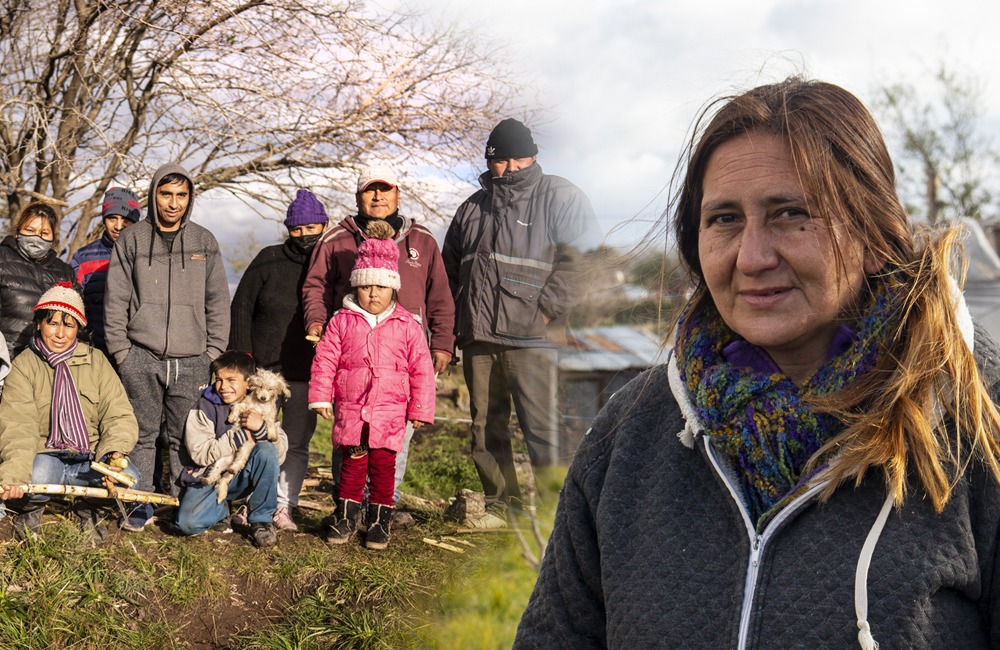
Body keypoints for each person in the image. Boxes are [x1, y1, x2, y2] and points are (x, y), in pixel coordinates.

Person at [515, 78, 1000, 649]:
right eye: (723, 219)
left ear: (876, 235)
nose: (751, 257)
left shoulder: (978, 418)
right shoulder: (631, 434)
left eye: (790, 213)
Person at [442, 118, 597, 525]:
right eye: (500, 160)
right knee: (484, 429)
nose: (509, 167)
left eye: (517, 158)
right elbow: (448, 271)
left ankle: (557, 513)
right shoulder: (472, 208)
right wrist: (456, 325)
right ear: (488, 161)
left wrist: (546, 310)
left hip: (533, 337)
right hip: (479, 336)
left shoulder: (561, 197)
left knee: (544, 430)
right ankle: (500, 505)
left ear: (533, 156)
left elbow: (583, 260)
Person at [302, 163, 453, 507]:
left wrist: (443, 342)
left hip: (402, 360)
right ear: (359, 196)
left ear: (397, 194)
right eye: (370, 190)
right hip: (353, 358)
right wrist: (317, 323)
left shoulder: (422, 241)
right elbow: (315, 287)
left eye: (385, 189)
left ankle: (385, 503)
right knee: (350, 432)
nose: (378, 196)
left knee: (395, 437)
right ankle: (348, 503)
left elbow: (440, 294)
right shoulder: (337, 240)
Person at [104, 163, 231, 530]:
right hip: (140, 356)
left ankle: (181, 506)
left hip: (193, 359)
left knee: (185, 438)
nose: (173, 203)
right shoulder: (132, 240)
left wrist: (212, 352)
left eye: (181, 195)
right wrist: (122, 353)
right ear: (153, 195)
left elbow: (217, 301)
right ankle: (138, 503)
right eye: (166, 194)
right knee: (141, 435)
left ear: (189, 198)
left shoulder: (204, 241)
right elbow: (115, 301)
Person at [308, 220, 435, 550]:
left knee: (383, 469)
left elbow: (422, 368)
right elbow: (325, 361)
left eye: (380, 287)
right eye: (366, 287)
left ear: (393, 287)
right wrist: (321, 397)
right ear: (356, 287)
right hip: (352, 414)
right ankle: (346, 517)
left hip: (390, 416)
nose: (373, 293)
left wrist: (420, 408)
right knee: (352, 467)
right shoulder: (341, 321)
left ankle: (380, 521)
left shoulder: (407, 325)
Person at [0, 283, 139, 543]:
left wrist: (114, 453)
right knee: (38, 475)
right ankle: (32, 509)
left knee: (131, 478)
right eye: (52, 323)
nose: (60, 334)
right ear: (39, 323)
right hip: (47, 453)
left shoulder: (96, 361)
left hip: (91, 455)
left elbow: (118, 414)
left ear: (79, 329)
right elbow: (18, 425)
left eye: (69, 325)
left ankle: (89, 508)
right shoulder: (24, 366)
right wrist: (15, 476)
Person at [229, 189, 328, 532]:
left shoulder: (330, 265)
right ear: (289, 229)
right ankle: (251, 502)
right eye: (297, 229)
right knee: (255, 438)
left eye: (312, 228)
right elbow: (241, 306)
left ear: (324, 226)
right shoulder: (268, 259)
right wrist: (244, 363)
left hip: (306, 373)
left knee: (297, 443)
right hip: (263, 375)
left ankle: (284, 506)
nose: (304, 236)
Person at [175, 351, 287, 548]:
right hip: (211, 474)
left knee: (267, 451)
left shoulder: (262, 404)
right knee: (187, 524)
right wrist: (241, 435)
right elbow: (200, 453)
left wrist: (261, 430)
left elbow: (280, 453)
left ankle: (261, 520)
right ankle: (222, 511)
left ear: (249, 383)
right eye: (218, 380)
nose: (223, 387)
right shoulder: (204, 407)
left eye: (231, 380)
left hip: (243, 475)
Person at [0, 201, 78, 357]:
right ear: (18, 232)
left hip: (49, 363)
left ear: (52, 238)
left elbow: (77, 319)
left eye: (44, 233)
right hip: (8, 361)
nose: (36, 237)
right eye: (30, 230)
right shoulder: (2, 259)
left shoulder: (64, 271)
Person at [70, 188, 141, 355]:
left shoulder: (148, 256)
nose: (118, 226)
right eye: (112, 218)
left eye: (126, 220)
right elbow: (73, 307)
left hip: (137, 354)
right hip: (95, 352)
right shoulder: (83, 257)